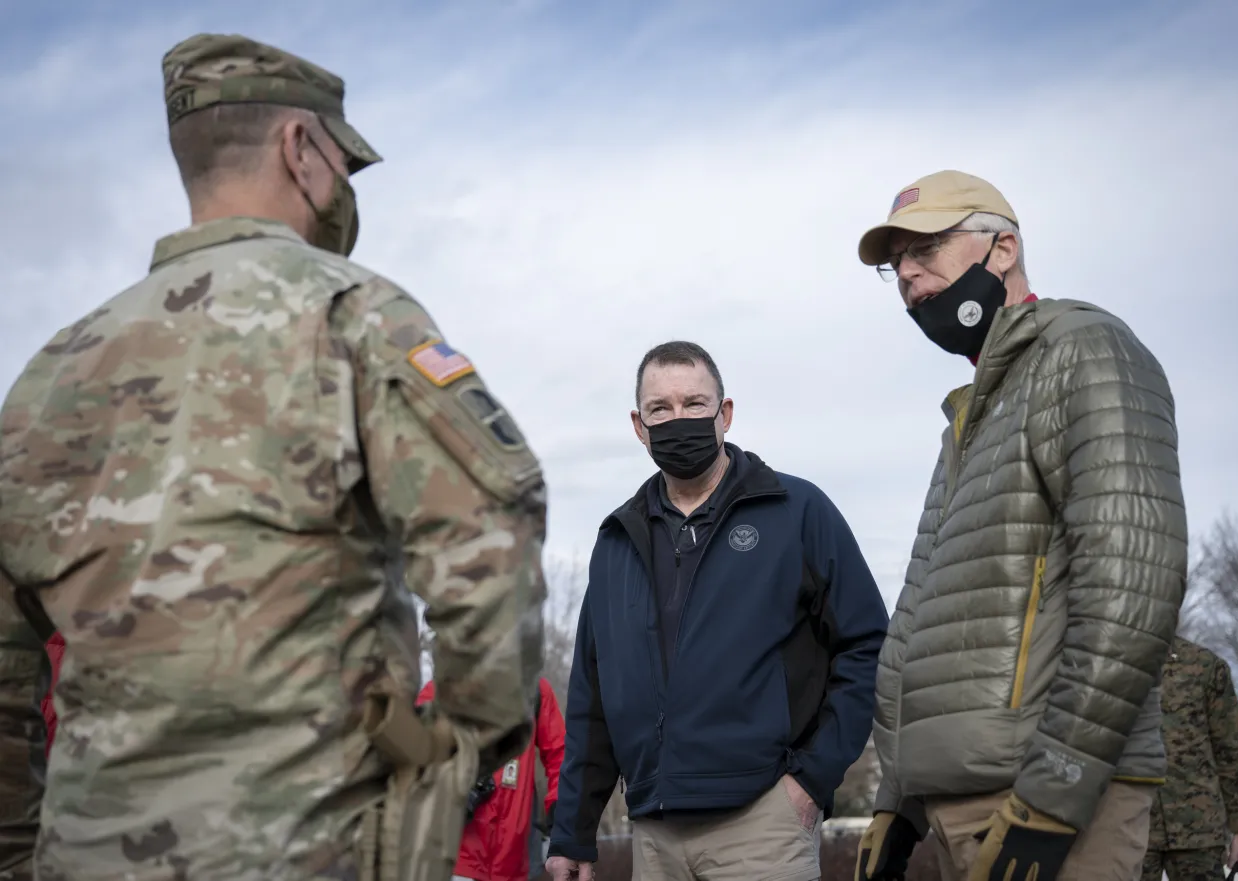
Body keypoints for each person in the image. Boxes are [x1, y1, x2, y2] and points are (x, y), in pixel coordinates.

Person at [0, 32, 547, 880]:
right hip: (311, 850)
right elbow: (492, 530)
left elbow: (5, 671)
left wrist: (17, 853)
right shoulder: (355, 316)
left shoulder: (49, 376)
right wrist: (449, 761)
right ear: (301, 150)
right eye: (342, 163)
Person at [852, 170, 1187, 881]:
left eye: (927, 248)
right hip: (956, 802)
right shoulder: (972, 411)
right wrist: (896, 799)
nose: (910, 277)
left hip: (1050, 802)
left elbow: (1132, 587)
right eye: (896, 266)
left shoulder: (1085, 350)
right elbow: (923, 621)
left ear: (1002, 249)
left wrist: (1055, 792)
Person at [546, 341, 890, 881]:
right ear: (639, 425)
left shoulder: (796, 512)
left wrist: (811, 780)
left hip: (762, 823)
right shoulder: (616, 543)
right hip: (653, 837)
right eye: (660, 409)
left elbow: (867, 644)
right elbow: (592, 696)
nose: (676, 419)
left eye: (693, 404)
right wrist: (573, 831)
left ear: (724, 415)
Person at [419, 676, 565, 881]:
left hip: (515, 860)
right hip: (457, 858)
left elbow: (560, 756)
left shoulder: (535, 689)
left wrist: (562, 815)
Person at [1142, 636, 1238, 881]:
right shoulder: (1111, 663)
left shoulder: (1205, 666)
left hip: (1198, 832)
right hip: (1129, 830)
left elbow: (1230, 751)